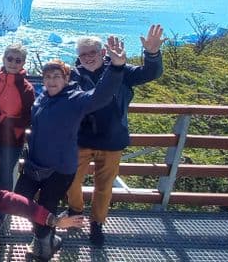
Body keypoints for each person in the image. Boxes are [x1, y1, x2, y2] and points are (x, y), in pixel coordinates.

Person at [14, 36, 126, 261]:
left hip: (59, 169)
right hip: (35, 165)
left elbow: (101, 95)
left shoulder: (75, 100)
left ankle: (45, 245)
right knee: (19, 200)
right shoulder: (42, 98)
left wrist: (116, 67)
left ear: (66, 78)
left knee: (46, 208)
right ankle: (46, 235)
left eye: (57, 76)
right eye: (48, 76)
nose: (52, 81)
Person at [65, 25, 165, 246]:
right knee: (71, 180)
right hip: (80, 138)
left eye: (93, 52)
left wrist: (152, 54)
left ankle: (97, 224)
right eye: (83, 54)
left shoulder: (122, 70)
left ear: (103, 53)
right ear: (78, 57)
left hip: (112, 139)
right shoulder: (72, 76)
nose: (88, 57)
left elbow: (150, 73)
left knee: (104, 186)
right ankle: (76, 210)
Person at [0, 44, 36, 191]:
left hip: (11, 140)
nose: (13, 63)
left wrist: (1, 117)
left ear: (23, 63)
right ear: (3, 59)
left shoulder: (26, 89)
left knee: (6, 176)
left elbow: (27, 119)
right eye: (10, 58)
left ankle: (5, 211)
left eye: (18, 60)